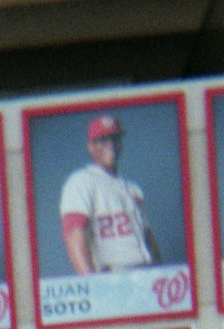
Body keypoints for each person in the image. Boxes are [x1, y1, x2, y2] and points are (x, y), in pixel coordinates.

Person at [58, 113, 162, 274]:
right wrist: (92, 284)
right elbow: (73, 233)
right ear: (91, 147)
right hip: (114, 274)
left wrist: (159, 272)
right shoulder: (81, 181)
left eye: (115, 139)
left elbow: (147, 236)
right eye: (103, 140)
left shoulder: (132, 188)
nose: (111, 145)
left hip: (145, 271)